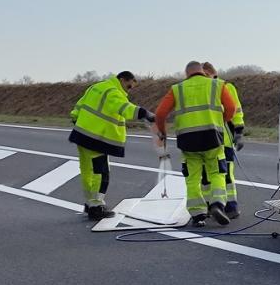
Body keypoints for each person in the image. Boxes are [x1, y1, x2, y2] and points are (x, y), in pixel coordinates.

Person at [155, 61, 236, 226]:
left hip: (187, 140)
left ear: (187, 74)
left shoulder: (177, 89)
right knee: (217, 173)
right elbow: (231, 108)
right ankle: (217, 204)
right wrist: (222, 121)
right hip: (212, 137)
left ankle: (198, 214)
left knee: (192, 178)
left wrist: (163, 132)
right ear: (203, 72)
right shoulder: (217, 85)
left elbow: (160, 113)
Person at [69, 71, 155, 220]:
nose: (129, 89)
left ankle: (90, 204)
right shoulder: (113, 92)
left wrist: (78, 121)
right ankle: (96, 207)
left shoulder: (96, 87)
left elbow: (78, 107)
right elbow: (124, 108)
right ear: (122, 80)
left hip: (81, 134)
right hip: (97, 138)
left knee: (87, 172)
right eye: (129, 85)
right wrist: (145, 113)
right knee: (101, 173)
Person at [201, 62, 245, 218]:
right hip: (207, 140)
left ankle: (230, 206)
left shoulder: (225, 87)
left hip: (223, 140)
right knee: (206, 176)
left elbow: (236, 110)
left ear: (209, 72)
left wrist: (238, 132)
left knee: (224, 174)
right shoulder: (203, 88)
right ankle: (211, 206)